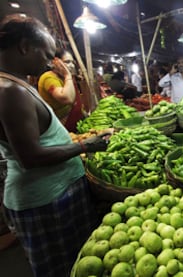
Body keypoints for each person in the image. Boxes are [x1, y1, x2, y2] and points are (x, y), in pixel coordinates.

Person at [0, 14, 110, 277]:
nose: (50, 61)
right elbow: (30, 156)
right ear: (25, 47)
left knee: (78, 263)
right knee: (62, 269)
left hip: (53, 195)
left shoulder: (16, 84)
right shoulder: (10, 91)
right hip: (45, 201)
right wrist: (85, 146)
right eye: (46, 53)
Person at [38, 49, 84, 133]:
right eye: (67, 62)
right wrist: (67, 75)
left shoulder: (66, 78)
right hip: (59, 127)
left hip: (73, 124)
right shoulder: (48, 77)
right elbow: (67, 98)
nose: (71, 65)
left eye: (72, 62)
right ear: (55, 62)